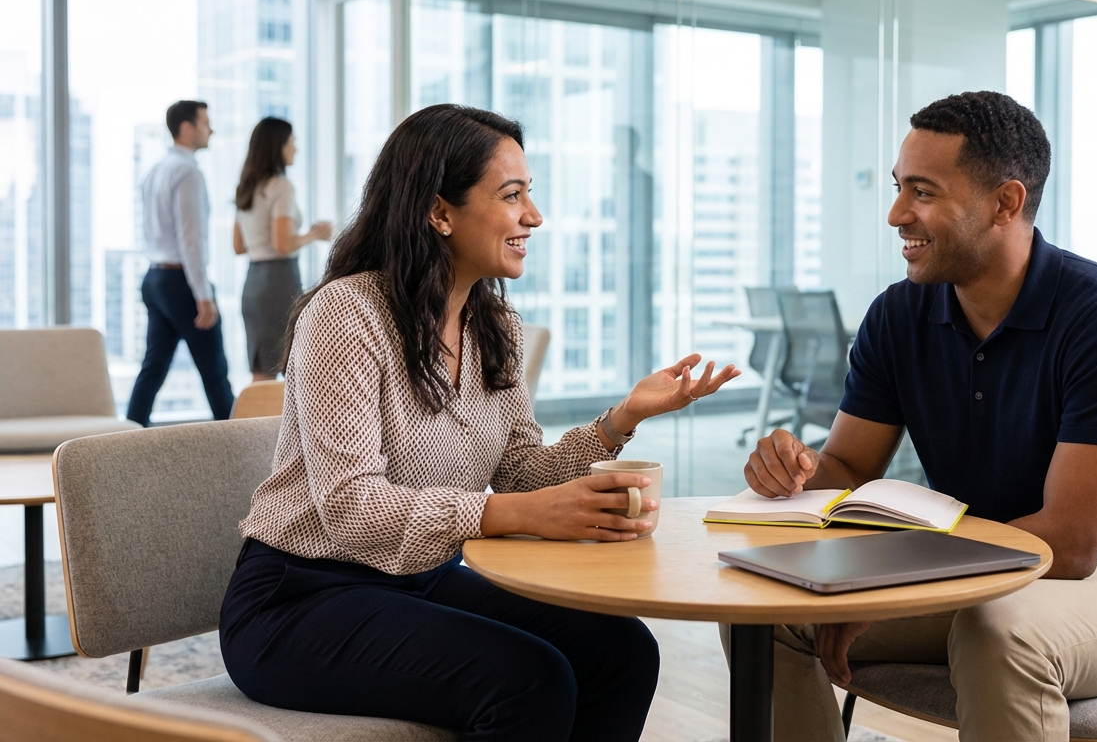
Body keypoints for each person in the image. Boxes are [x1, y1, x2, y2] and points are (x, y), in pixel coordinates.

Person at [220, 104, 741, 741]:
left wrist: (620, 420)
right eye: (512, 195)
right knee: (527, 679)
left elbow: (521, 472)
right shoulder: (345, 316)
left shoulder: (495, 328)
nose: (534, 217)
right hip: (298, 596)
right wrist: (512, 516)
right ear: (440, 212)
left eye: (531, 194)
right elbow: (350, 508)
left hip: (416, 579)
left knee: (621, 651)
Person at [741, 92, 1097, 741]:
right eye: (901, 188)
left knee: (998, 628)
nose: (897, 213)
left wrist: (894, 584)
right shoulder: (900, 315)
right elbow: (846, 466)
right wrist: (794, 469)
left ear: (1005, 203)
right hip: (977, 571)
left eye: (922, 193)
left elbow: (1069, 544)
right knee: (763, 614)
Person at [126, 100, 235, 427]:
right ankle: (238, 446)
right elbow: (191, 239)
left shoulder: (155, 170)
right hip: (181, 283)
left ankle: (127, 437)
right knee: (214, 369)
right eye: (205, 123)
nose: (211, 129)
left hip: (156, 279)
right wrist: (204, 295)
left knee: (153, 366)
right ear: (187, 128)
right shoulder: (188, 172)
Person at [232, 117, 333, 380]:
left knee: (261, 373)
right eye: (292, 142)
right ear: (278, 146)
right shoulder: (281, 187)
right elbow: (283, 244)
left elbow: (238, 246)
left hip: (253, 283)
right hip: (278, 280)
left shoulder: (247, 187)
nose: (295, 149)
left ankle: (250, 423)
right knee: (290, 368)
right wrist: (314, 234)